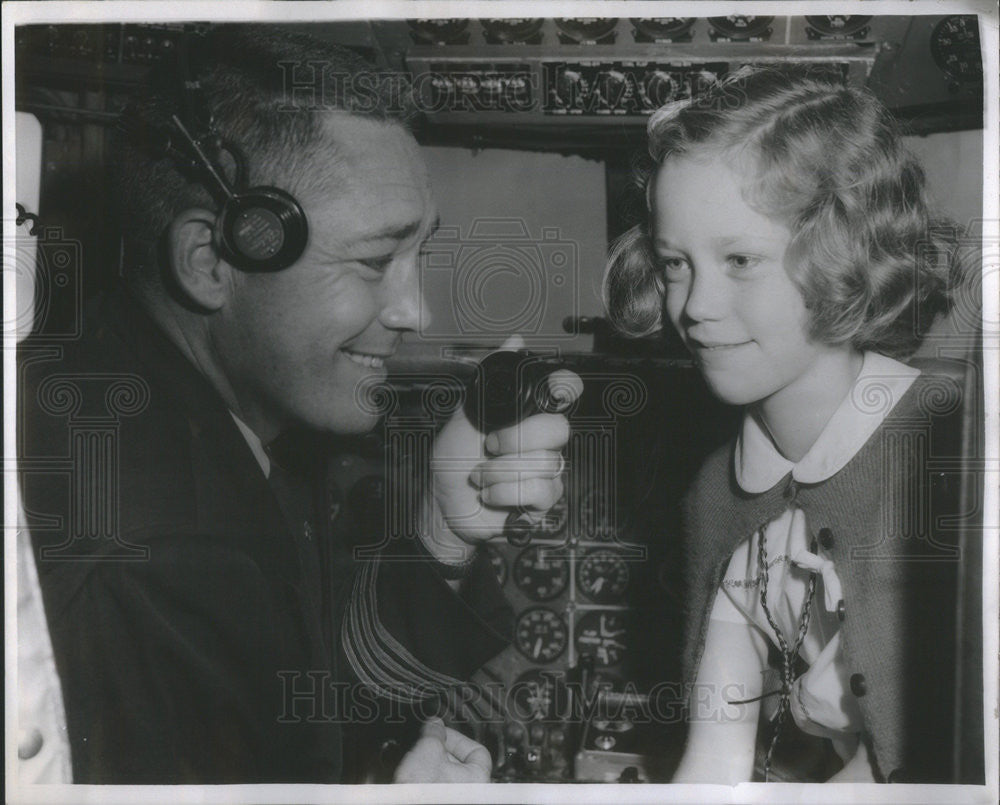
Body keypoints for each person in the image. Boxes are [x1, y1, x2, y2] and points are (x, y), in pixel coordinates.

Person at [18, 25, 578, 784]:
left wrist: (442, 532)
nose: (415, 309)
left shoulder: (198, 417)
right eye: (376, 261)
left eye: (420, 256)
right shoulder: (153, 550)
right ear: (210, 262)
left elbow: (300, 703)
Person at [604, 65, 982, 783]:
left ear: (844, 250)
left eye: (740, 260)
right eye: (676, 263)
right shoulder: (715, 489)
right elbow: (715, 760)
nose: (696, 306)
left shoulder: (950, 454)